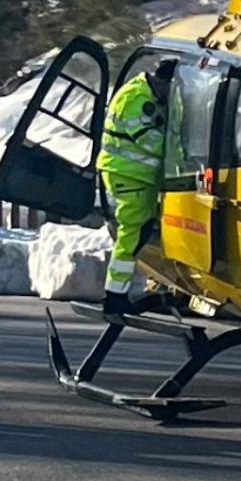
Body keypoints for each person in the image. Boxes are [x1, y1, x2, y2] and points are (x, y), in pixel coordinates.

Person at [97, 58, 177, 323]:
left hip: (135, 177)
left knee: (139, 231)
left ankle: (118, 294)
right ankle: (114, 298)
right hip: (128, 176)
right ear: (163, 83)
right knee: (132, 233)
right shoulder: (136, 99)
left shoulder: (143, 93)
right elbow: (150, 141)